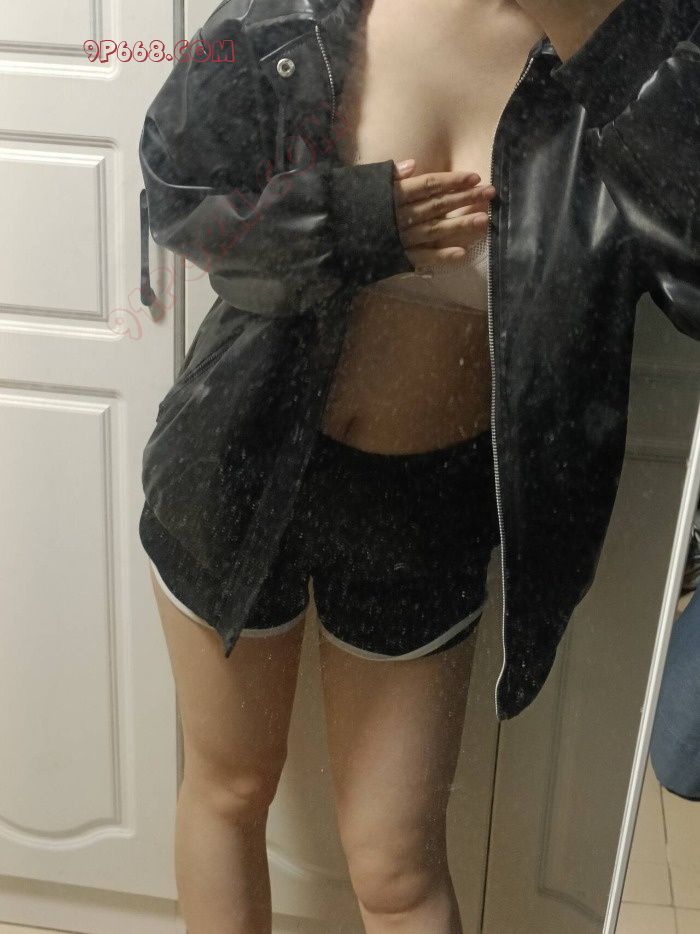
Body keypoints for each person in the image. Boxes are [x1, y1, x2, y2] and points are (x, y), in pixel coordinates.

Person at [136, 0, 700, 930]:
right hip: (236, 461)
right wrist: (350, 224)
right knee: (229, 792)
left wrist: (604, 42)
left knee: (397, 870)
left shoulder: (650, 36)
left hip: (425, 511)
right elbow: (176, 192)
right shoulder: (305, 13)